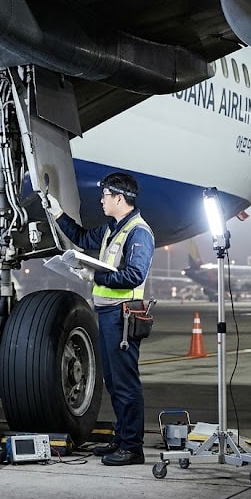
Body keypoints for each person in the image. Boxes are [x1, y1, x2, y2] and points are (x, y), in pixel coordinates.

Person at [44, 172, 155, 466]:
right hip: (107, 312)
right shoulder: (111, 230)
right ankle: (122, 438)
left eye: (105, 196)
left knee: (125, 382)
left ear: (120, 199)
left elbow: (134, 275)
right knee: (114, 382)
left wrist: (95, 274)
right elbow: (80, 237)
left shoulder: (139, 232)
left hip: (123, 314)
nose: (102, 200)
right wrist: (57, 212)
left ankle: (133, 447)